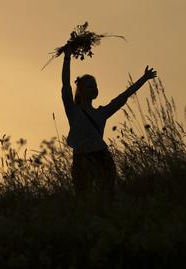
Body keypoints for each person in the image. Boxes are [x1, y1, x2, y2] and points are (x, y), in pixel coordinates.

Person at [61, 46, 157, 198]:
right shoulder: (73, 111)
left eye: (96, 85)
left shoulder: (101, 113)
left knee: (107, 195)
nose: (94, 88)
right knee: (82, 197)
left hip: (101, 157)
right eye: (90, 86)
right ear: (81, 90)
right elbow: (66, 84)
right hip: (81, 159)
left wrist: (144, 79)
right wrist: (67, 58)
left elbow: (124, 96)